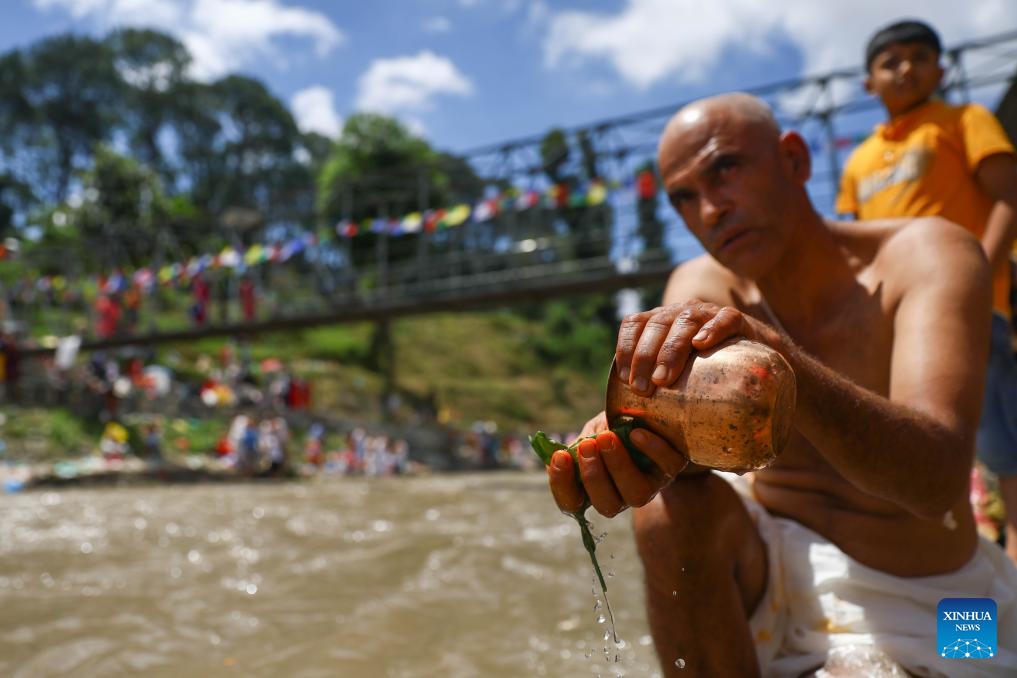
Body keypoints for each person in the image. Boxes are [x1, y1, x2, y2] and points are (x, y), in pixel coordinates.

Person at [546, 92, 1017, 676]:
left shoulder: (929, 254)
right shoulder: (701, 283)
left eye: (725, 169)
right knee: (668, 511)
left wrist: (780, 361)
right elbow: (683, 460)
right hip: (778, 572)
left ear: (795, 160)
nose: (711, 210)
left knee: (986, 660)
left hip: (941, 595)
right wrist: (630, 445)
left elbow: (937, 481)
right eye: (685, 198)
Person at [836, 19, 1017, 565]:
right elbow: (852, 249)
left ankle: (1007, 587)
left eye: (919, 56)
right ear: (869, 83)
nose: (906, 68)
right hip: (891, 326)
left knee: (1000, 459)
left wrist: (972, 277)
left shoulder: (965, 120)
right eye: (890, 61)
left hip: (971, 313)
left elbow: (1009, 198)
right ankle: (967, 637)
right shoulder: (858, 161)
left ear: (941, 69)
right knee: (928, 473)